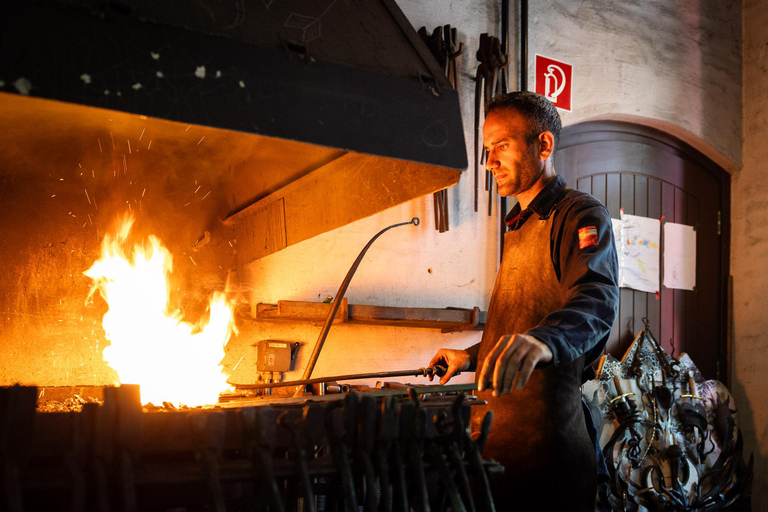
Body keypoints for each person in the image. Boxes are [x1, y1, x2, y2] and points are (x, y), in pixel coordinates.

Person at [429, 91, 619, 511]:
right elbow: (525, 323)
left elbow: (596, 299)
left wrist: (545, 342)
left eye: (502, 146)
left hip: (546, 459)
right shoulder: (519, 226)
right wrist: (473, 356)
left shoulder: (579, 215)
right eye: (487, 149)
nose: (489, 161)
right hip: (497, 450)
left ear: (543, 145)